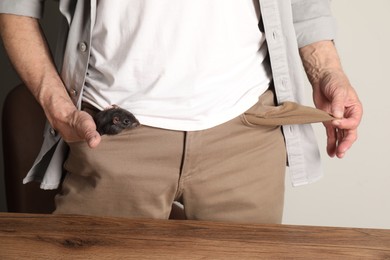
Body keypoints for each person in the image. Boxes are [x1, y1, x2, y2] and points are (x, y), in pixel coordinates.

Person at [0, 0, 362, 223]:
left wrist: (328, 71)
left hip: (247, 136)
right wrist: (57, 105)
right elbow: (15, 6)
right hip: (110, 137)